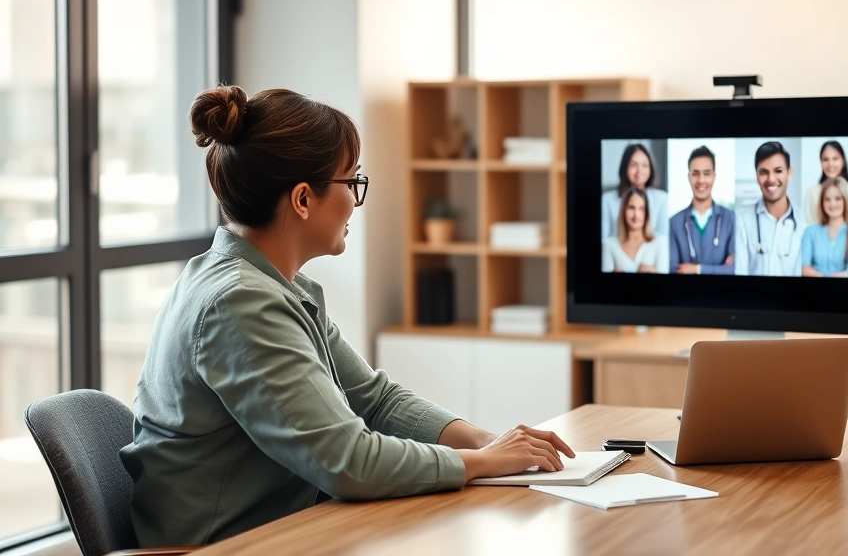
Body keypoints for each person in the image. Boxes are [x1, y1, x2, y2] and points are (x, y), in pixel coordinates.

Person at [119, 85, 575, 547]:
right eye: (352, 182)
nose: (357, 200)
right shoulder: (240, 304)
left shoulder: (276, 285)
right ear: (302, 199)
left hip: (280, 527)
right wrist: (484, 463)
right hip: (222, 545)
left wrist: (483, 441)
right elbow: (348, 463)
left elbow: (375, 400)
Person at [735, 141, 806, 276]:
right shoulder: (741, 220)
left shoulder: (805, 221)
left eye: (778, 171)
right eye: (764, 172)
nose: (771, 179)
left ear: (789, 173)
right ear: (756, 176)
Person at [668, 146, 736, 274]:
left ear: (714, 176)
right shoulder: (674, 223)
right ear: (689, 177)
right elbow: (673, 270)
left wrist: (697, 269)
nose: (701, 180)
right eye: (695, 173)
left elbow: (735, 269)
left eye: (706, 173)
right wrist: (720, 269)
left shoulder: (731, 219)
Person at [801, 177, 848, 277]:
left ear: (845, 201)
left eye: (837, 198)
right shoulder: (810, 231)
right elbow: (805, 269)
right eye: (827, 199)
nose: (832, 204)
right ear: (822, 203)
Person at [601, 143, 669, 240]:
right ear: (625, 167)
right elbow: (604, 240)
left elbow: (663, 238)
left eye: (645, 165)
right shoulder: (607, 200)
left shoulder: (662, 199)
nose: (639, 171)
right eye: (633, 165)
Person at [601, 187, 669, 273]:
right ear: (623, 211)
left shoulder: (660, 242)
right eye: (631, 208)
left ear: (646, 213)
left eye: (641, 209)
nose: (636, 215)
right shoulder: (608, 244)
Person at [803, 140, 848, 224]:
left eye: (835, 159)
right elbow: (809, 225)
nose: (830, 164)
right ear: (821, 162)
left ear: (843, 161)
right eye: (825, 159)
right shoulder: (812, 192)